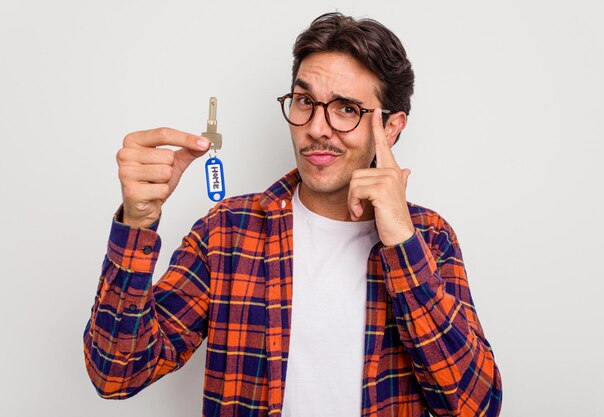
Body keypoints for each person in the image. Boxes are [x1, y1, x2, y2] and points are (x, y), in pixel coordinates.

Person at [84, 12, 502, 417]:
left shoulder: (429, 238)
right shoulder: (227, 231)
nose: (317, 127)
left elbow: (474, 408)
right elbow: (117, 374)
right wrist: (136, 225)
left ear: (391, 127)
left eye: (345, 108)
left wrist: (401, 243)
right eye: (305, 101)